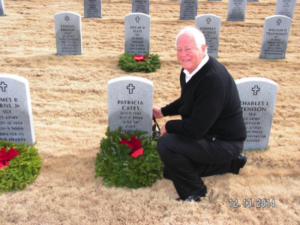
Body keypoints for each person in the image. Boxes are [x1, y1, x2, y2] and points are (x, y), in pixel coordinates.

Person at [153, 27, 247, 202]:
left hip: (224, 142)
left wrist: (168, 126)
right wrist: (163, 112)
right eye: (179, 50)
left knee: (167, 144)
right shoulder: (190, 70)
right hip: (208, 135)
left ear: (203, 49)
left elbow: (195, 129)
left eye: (189, 49)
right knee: (169, 170)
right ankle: (231, 164)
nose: (183, 54)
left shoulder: (213, 80)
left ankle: (193, 191)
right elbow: (187, 100)